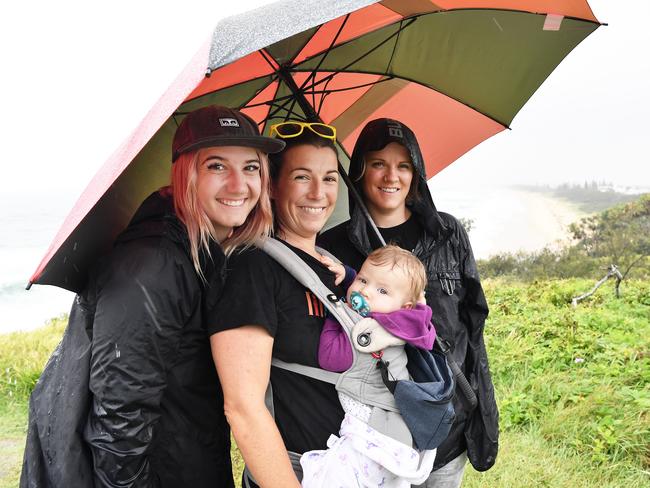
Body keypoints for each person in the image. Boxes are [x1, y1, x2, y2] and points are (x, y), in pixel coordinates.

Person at [21, 105, 284, 488]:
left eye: (251, 167)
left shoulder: (199, 251)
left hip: (185, 459)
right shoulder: (152, 265)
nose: (238, 185)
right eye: (216, 166)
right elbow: (119, 420)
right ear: (185, 173)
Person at [317, 118, 499, 488]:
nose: (391, 177)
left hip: (445, 425)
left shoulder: (448, 234)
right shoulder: (332, 246)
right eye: (379, 164)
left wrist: (480, 406)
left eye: (403, 166)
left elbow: (474, 327)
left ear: (416, 174)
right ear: (360, 171)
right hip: (373, 440)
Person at [209, 122, 343, 488]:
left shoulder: (332, 266)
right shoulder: (252, 269)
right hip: (300, 474)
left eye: (329, 178)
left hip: (351, 468)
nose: (319, 193)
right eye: (303, 177)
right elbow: (243, 409)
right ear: (272, 185)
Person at [300, 244, 437, 488]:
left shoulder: (371, 332)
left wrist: (337, 314)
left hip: (375, 428)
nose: (366, 292)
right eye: (363, 280)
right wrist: (350, 275)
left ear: (404, 305)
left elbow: (330, 357)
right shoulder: (410, 319)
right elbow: (375, 287)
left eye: (382, 290)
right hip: (400, 425)